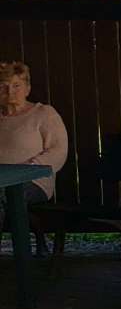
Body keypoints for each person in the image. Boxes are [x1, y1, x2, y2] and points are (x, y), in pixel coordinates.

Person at [0, 61, 69, 209]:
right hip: (2, 180)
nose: (9, 91)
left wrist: (30, 168)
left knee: (3, 194)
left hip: (33, 181)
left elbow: (59, 150)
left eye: (16, 85)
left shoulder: (44, 113)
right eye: (3, 86)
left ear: (27, 88)